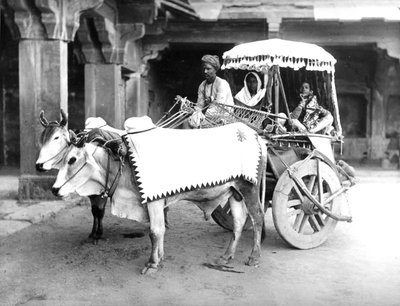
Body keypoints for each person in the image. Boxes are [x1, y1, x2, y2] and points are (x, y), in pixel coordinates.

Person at [189, 54, 234, 128]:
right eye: (203, 69)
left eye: (208, 69)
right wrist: (195, 111)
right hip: (208, 116)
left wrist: (202, 115)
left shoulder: (222, 84)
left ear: (215, 69)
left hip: (224, 116)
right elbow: (200, 105)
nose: (205, 71)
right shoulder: (202, 85)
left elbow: (219, 106)